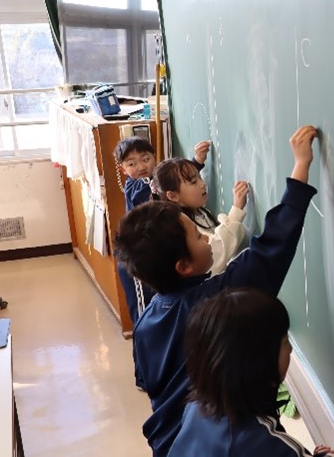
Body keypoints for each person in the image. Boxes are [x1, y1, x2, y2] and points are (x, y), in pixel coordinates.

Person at [113, 125, 319, 457]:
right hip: (213, 442)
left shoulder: (149, 317)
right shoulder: (214, 302)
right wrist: (300, 167)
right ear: (183, 266)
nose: (207, 239)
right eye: (198, 237)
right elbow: (272, 249)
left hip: (174, 444)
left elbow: (149, 381)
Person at [168, 288, 334, 457]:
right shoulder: (261, 444)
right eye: (284, 342)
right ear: (258, 365)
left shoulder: (197, 406)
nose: (291, 349)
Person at [113, 138, 213, 323]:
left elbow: (171, 182)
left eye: (146, 159)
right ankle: (144, 337)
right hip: (138, 259)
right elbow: (166, 183)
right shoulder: (136, 186)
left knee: (163, 306)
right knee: (146, 312)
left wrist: (196, 163)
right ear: (123, 169)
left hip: (156, 257)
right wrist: (194, 163)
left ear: (154, 157)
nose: (141, 167)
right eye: (132, 164)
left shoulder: (155, 182)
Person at [150, 156, 248, 275]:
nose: (202, 184)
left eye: (199, 177)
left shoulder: (200, 213)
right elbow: (216, 256)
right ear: (173, 196)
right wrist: (237, 210)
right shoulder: (184, 228)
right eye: (193, 182)